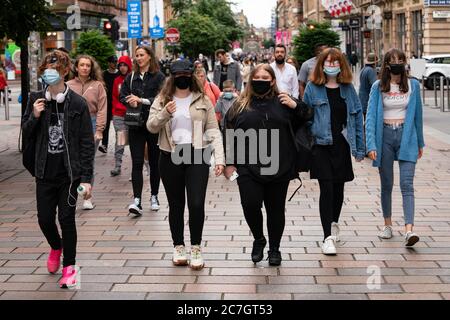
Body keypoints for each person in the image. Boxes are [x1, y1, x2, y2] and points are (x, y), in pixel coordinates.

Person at [223, 64, 313, 266]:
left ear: (273, 81)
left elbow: (308, 115)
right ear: (251, 80)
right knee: (250, 204)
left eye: (266, 77)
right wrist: (229, 163)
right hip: (247, 164)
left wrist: (295, 105)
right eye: (257, 77)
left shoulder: (283, 102)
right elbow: (228, 130)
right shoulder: (240, 104)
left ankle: (274, 249)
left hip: (279, 164)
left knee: (275, 209)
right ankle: (259, 238)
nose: (261, 80)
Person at [21, 50, 95, 288]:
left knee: (67, 219)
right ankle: (56, 246)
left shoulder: (78, 103)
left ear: (64, 72)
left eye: (54, 69)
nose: (49, 73)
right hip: (43, 172)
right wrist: (34, 115)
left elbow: (86, 143)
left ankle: (70, 268)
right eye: (46, 70)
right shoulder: (35, 98)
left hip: (69, 175)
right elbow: (26, 133)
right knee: (44, 220)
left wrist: (87, 178)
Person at [147, 60, 225, 270]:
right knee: (176, 204)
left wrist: (220, 158)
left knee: (196, 203)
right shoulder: (163, 99)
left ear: (191, 75)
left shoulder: (202, 99)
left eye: (185, 74)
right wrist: (165, 113)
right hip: (170, 155)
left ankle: (196, 247)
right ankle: (179, 246)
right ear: (172, 77)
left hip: (198, 154)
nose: (182, 77)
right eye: (178, 74)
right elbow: (151, 126)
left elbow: (213, 129)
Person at [303, 47, 365, 255]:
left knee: (338, 189)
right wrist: (310, 138)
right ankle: (326, 236)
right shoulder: (312, 88)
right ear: (321, 65)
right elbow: (306, 117)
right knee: (327, 189)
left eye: (335, 62)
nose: (331, 65)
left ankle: (334, 222)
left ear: (341, 65)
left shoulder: (348, 89)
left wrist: (360, 148)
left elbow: (356, 117)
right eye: (328, 62)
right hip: (321, 145)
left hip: (342, 144)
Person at [365, 48, 425, 247]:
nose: (397, 62)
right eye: (393, 60)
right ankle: (388, 224)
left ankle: (409, 230)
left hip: (407, 136)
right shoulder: (377, 87)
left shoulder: (413, 85)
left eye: (400, 59)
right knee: (387, 184)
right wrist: (371, 144)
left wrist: (420, 142)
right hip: (385, 137)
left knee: (407, 185)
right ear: (386, 64)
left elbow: (417, 116)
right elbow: (371, 117)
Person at [120, 45, 165, 215]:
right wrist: (129, 100)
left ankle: (154, 196)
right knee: (137, 161)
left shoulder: (159, 76)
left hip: (153, 123)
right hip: (135, 124)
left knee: (155, 162)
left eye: (141, 55)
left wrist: (143, 100)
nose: (138, 58)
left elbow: (163, 98)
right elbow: (122, 95)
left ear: (149, 57)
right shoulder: (130, 77)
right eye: (136, 55)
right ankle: (137, 200)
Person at [67, 54, 107, 210]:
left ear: (91, 68)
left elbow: (102, 109)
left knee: (87, 161)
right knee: (71, 160)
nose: (85, 68)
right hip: (71, 124)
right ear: (76, 67)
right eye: (82, 65)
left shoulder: (98, 85)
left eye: (88, 65)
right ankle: (71, 193)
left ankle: (87, 196)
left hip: (91, 122)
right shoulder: (68, 85)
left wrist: (99, 129)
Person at [110, 55, 132, 177]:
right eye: (121, 65)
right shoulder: (116, 80)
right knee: (121, 140)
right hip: (119, 115)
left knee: (135, 142)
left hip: (133, 115)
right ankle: (118, 166)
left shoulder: (134, 78)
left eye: (125, 65)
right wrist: (116, 109)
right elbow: (114, 97)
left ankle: (141, 167)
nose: (123, 68)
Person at [99, 55, 119, 154]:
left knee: (119, 125)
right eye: (113, 62)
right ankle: (104, 145)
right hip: (106, 102)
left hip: (117, 102)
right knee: (105, 124)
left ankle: (120, 146)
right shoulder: (104, 74)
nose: (115, 64)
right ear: (109, 63)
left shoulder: (119, 73)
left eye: (116, 62)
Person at [359, 52, 379, 119]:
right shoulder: (370, 71)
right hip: (368, 100)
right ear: (375, 63)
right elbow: (375, 85)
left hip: (362, 99)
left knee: (366, 119)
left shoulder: (363, 69)